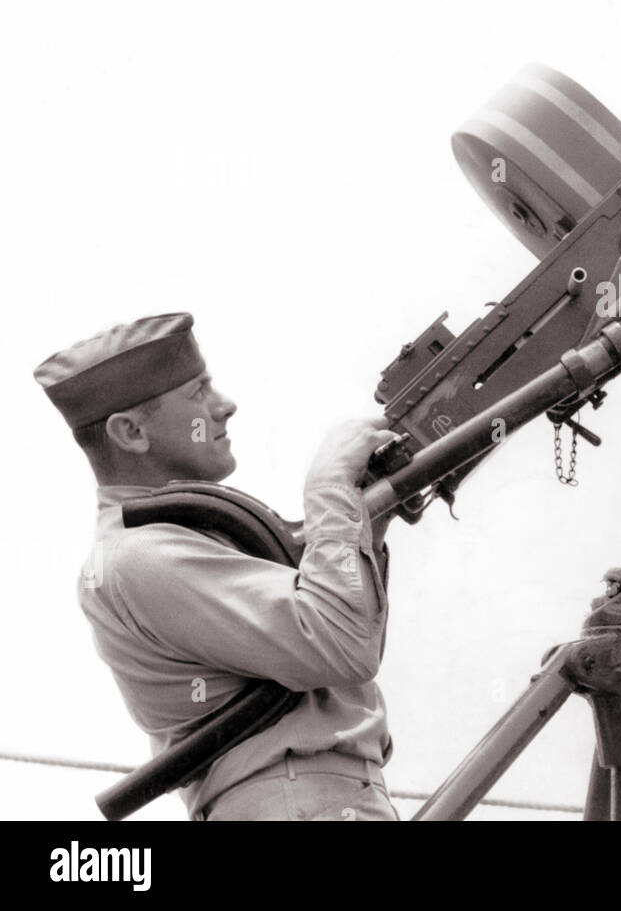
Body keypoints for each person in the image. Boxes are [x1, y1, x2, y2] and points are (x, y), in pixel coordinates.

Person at [34, 312, 403, 820]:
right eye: (197, 394)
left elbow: (342, 644)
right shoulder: (139, 556)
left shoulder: (184, 538)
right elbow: (341, 646)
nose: (225, 406)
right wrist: (329, 491)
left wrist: (359, 524)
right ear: (131, 431)